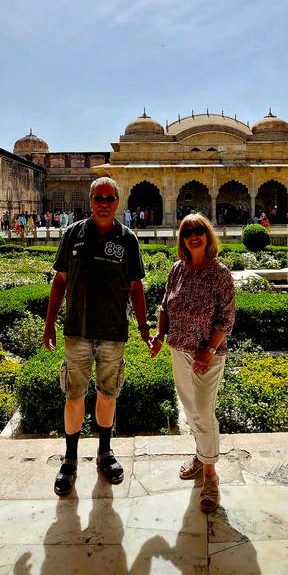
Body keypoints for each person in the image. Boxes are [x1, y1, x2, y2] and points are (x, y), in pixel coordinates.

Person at [43, 177, 151, 497]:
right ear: (90, 201)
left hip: (112, 331)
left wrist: (144, 328)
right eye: (98, 198)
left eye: (110, 198)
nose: (104, 203)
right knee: (74, 396)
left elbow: (136, 287)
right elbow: (60, 281)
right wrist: (49, 324)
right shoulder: (73, 234)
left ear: (118, 202)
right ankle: (71, 459)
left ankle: (105, 452)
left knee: (107, 393)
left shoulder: (127, 239)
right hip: (77, 329)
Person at [151, 213, 235, 513]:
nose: (193, 236)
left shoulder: (219, 273)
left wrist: (209, 350)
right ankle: (202, 457)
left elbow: (227, 318)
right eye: (188, 232)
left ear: (208, 235)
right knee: (191, 411)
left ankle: (211, 475)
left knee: (202, 411)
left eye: (199, 231)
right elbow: (165, 305)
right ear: (182, 239)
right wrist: (160, 335)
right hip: (179, 351)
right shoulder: (178, 270)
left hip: (207, 355)